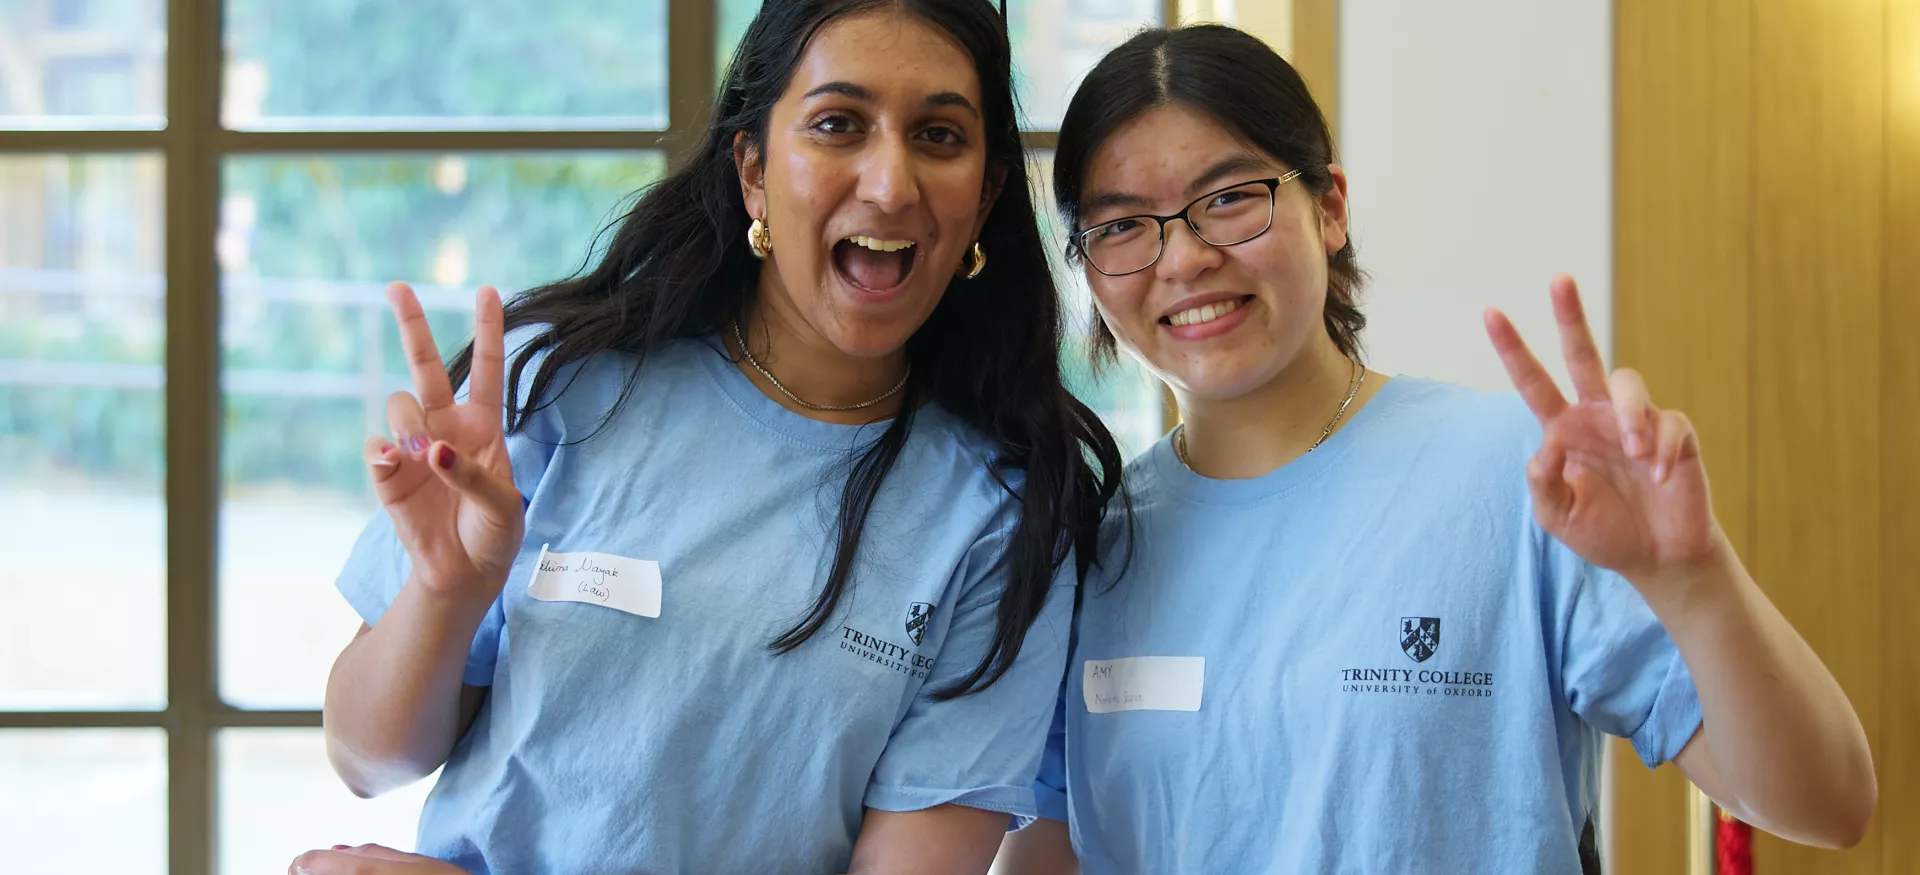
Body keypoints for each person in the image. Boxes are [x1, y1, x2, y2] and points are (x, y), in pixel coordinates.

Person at [994, 24, 1876, 875]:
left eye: (1228, 198)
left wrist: (1697, 578)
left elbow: (1826, 803)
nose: (1182, 258)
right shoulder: (1085, 548)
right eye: (1121, 226)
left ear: (1329, 206)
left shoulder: (1517, 473)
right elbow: (1056, 846)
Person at [287, 2, 1125, 873]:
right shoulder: (561, 385)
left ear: (987, 192)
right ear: (753, 170)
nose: (889, 183)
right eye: (838, 125)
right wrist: (445, 591)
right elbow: (367, 755)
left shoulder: (1007, 516)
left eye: (940, 136)